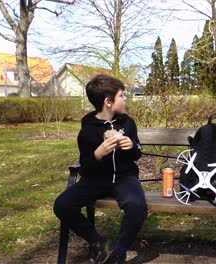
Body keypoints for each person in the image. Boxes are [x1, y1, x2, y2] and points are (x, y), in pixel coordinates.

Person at [53, 74, 148, 264]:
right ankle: (97, 241)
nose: (125, 98)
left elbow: (137, 152)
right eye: (122, 95)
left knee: (137, 206)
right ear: (108, 102)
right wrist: (98, 154)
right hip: (95, 180)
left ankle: (119, 252)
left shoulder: (127, 123)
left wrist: (132, 146)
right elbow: (85, 167)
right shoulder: (88, 130)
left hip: (124, 178)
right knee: (62, 204)